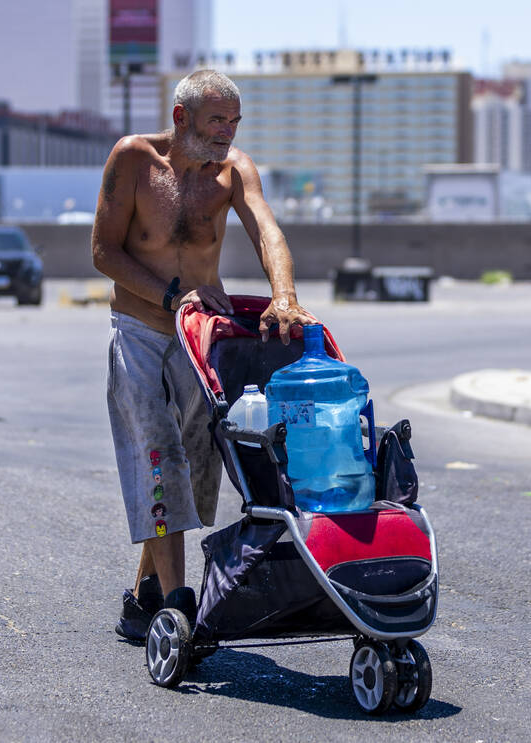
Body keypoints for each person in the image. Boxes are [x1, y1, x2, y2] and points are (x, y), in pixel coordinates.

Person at [91, 69, 313, 642]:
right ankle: (180, 603)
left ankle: (145, 596)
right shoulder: (134, 160)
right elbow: (104, 253)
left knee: (190, 465)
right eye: (219, 119)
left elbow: (268, 231)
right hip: (139, 327)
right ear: (181, 116)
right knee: (158, 454)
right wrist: (170, 294)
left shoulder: (233, 170)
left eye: (235, 121)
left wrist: (285, 297)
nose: (228, 132)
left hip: (199, 336)